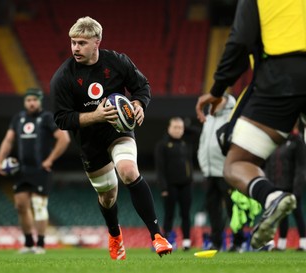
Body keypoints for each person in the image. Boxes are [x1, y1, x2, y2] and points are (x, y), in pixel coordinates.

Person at [50, 16, 172, 259]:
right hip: (89, 141)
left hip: (119, 129)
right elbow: (62, 119)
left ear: (97, 42)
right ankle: (115, 235)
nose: (75, 47)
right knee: (107, 196)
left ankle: (157, 236)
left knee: (128, 170)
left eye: (82, 43)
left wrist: (139, 104)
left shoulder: (117, 61)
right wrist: (95, 116)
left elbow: (142, 86)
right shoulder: (63, 77)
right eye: (73, 42)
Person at [195, 0, 305, 250]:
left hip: (280, 77)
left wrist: (218, 89)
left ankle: (272, 196)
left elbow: (240, 42)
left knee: (237, 163)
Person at [0, 88, 70, 254]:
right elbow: (8, 140)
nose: (31, 103)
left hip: (41, 169)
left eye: (34, 100)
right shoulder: (18, 118)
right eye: (28, 100)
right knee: (21, 205)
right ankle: (29, 243)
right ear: (25, 102)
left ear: (40, 101)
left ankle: (40, 244)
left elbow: (64, 138)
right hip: (22, 170)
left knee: (39, 205)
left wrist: (50, 160)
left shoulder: (47, 118)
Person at [197, 94, 247, 252]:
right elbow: (203, 143)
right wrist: (204, 165)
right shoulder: (209, 119)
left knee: (233, 208)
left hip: (226, 172)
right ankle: (216, 243)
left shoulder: (233, 118)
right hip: (210, 172)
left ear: (225, 101)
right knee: (213, 210)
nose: (214, 105)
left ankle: (238, 242)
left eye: (218, 101)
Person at [264, 123, 306, 251]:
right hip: (278, 185)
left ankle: (303, 244)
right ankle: (281, 244)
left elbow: (301, 167)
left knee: (297, 213)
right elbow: (270, 164)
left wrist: (297, 188)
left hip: (292, 186)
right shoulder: (278, 141)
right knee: (281, 215)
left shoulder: (297, 140)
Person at [154, 117, 193, 251]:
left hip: (186, 185)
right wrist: (163, 187)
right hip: (170, 186)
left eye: (180, 128)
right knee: (169, 214)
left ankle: (187, 241)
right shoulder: (162, 145)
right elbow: (160, 169)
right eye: (175, 127)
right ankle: (168, 240)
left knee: (186, 214)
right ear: (169, 128)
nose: (178, 130)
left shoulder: (185, 144)